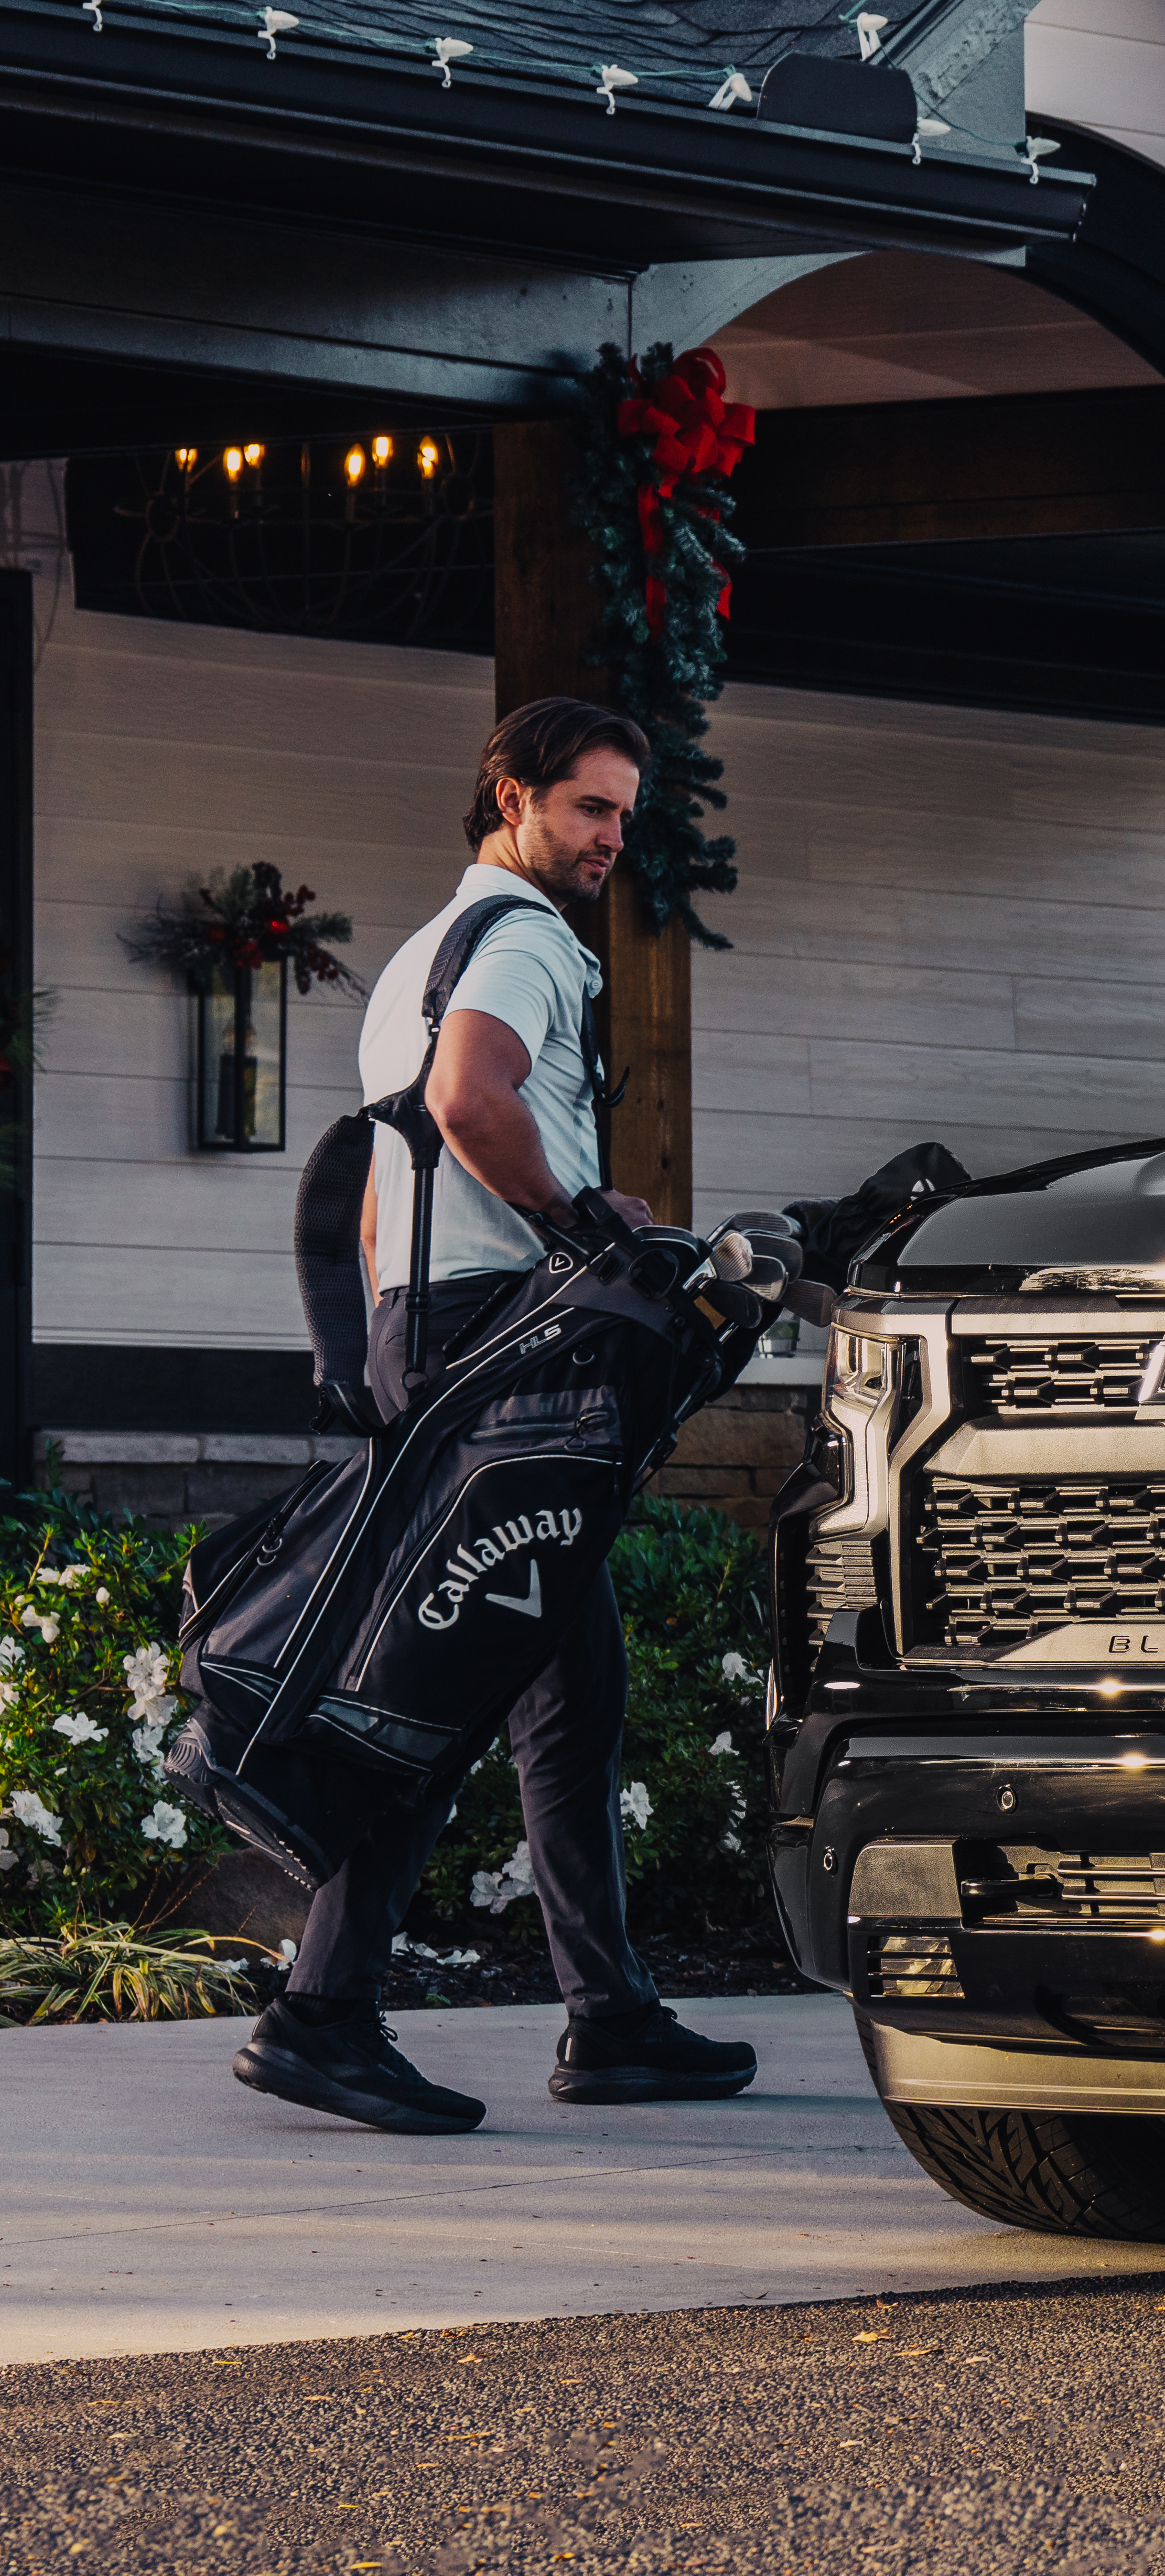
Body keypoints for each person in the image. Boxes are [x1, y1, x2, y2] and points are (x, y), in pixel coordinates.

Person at [227, 697, 763, 2137]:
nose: (610, 840)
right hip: (499, 1340)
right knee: (454, 1668)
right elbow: (472, 1100)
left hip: (434, 1328)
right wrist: (584, 1225)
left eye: (625, 816)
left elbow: (390, 1160)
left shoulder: (423, 950)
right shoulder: (525, 939)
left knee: (564, 1684)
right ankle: (322, 2010)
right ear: (511, 799)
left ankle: (610, 2014)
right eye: (589, 808)